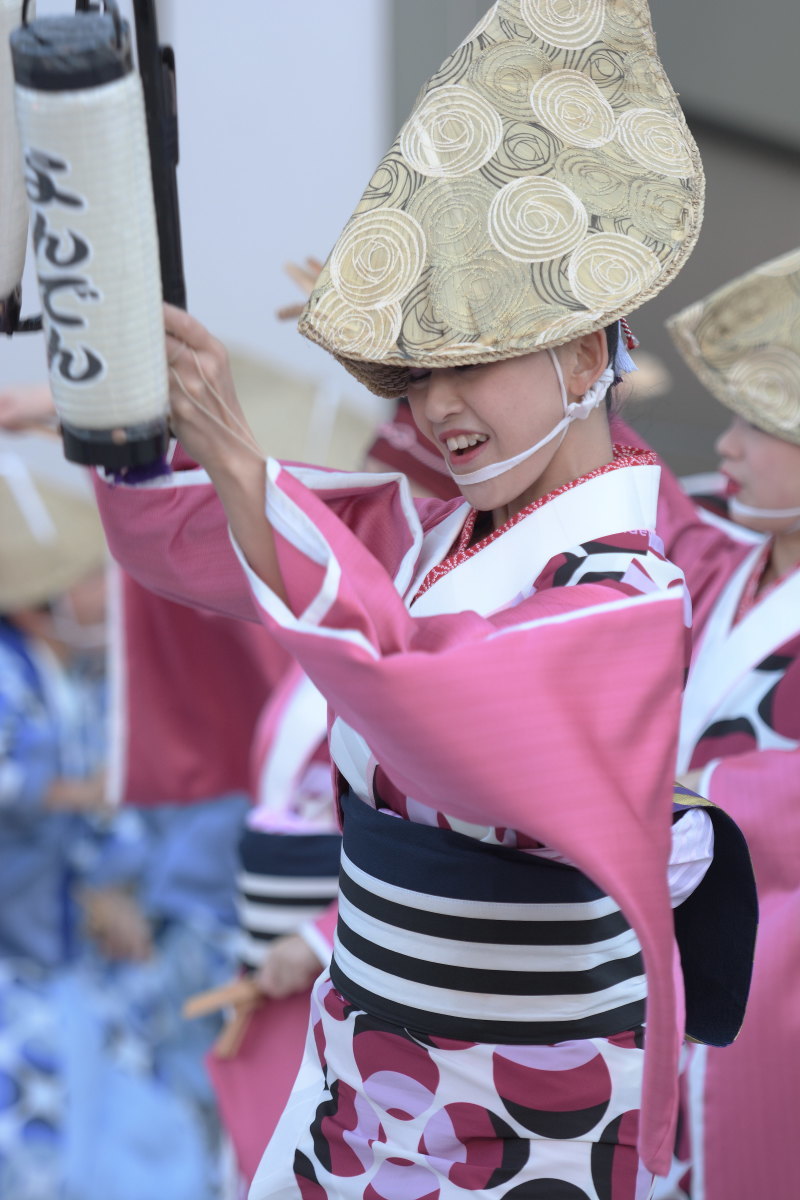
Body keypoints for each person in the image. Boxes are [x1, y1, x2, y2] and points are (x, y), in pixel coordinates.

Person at [89, 3, 758, 1196]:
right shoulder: (429, 538)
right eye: (417, 371)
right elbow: (214, 548)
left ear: (585, 349)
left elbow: (442, 690)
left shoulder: (623, 590)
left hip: (520, 1103)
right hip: (377, 1074)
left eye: (472, 360)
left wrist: (242, 463)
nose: (435, 407)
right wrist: (135, 423)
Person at [617, 247, 800, 1200]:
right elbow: (634, 482)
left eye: (758, 423)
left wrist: (683, 805)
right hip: (679, 962)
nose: (726, 445)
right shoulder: (722, 568)